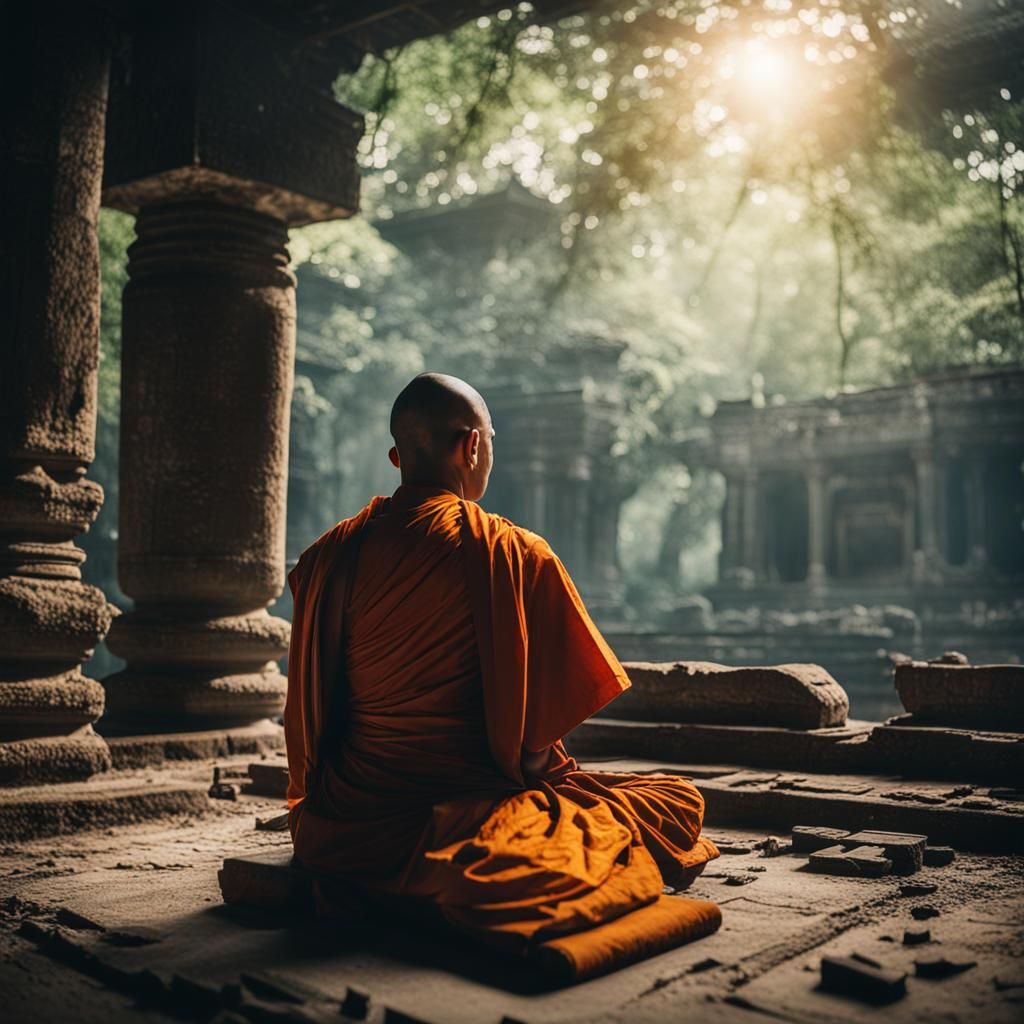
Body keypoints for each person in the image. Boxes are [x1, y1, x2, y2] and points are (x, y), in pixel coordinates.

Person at [284, 372, 720, 975]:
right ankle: (466, 880)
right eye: (490, 440)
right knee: (673, 800)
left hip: (342, 826)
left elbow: (312, 722)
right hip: (461, 816)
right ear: (471, 447)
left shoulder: (323, 559)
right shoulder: (513, 553)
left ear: (396, 456)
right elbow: (534, 758)